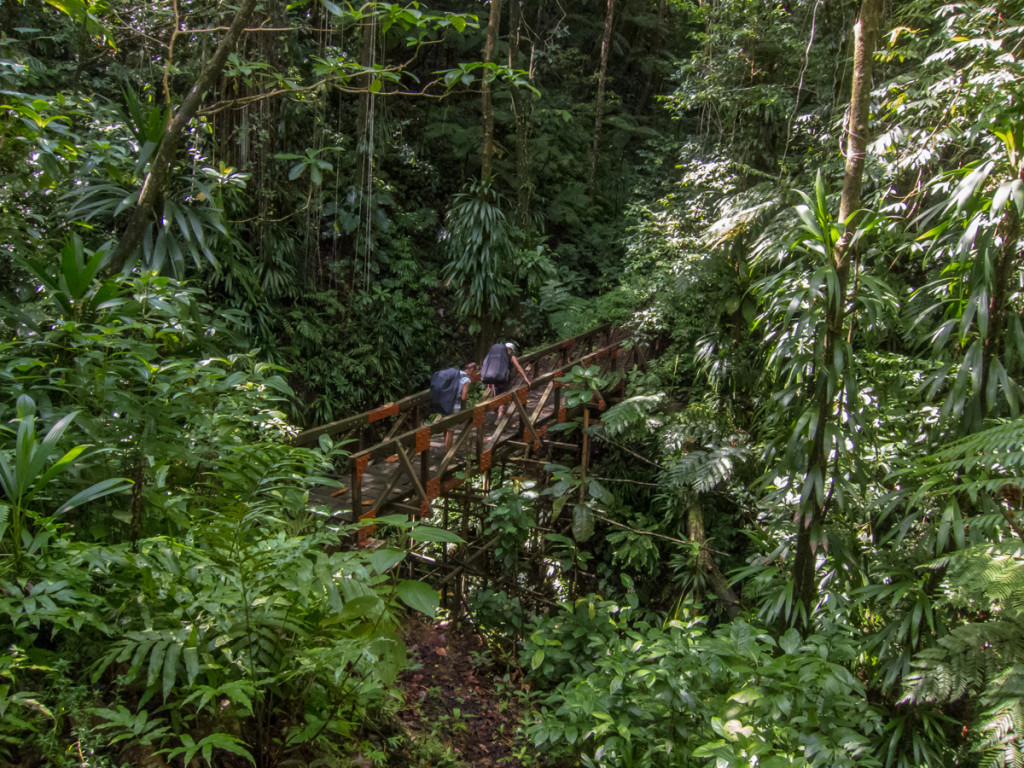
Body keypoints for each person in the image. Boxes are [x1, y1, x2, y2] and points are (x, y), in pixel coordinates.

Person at [481, 341, 531, 420]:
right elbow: (518, 367)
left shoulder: (497, 356)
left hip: (495, 381)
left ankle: (495, 413)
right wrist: (525, 377)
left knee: (496, 396)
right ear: (512, 349)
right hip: (506, 380)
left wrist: (490, 382)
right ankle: (499, 417)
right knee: (504, 397)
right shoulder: (511, 356)